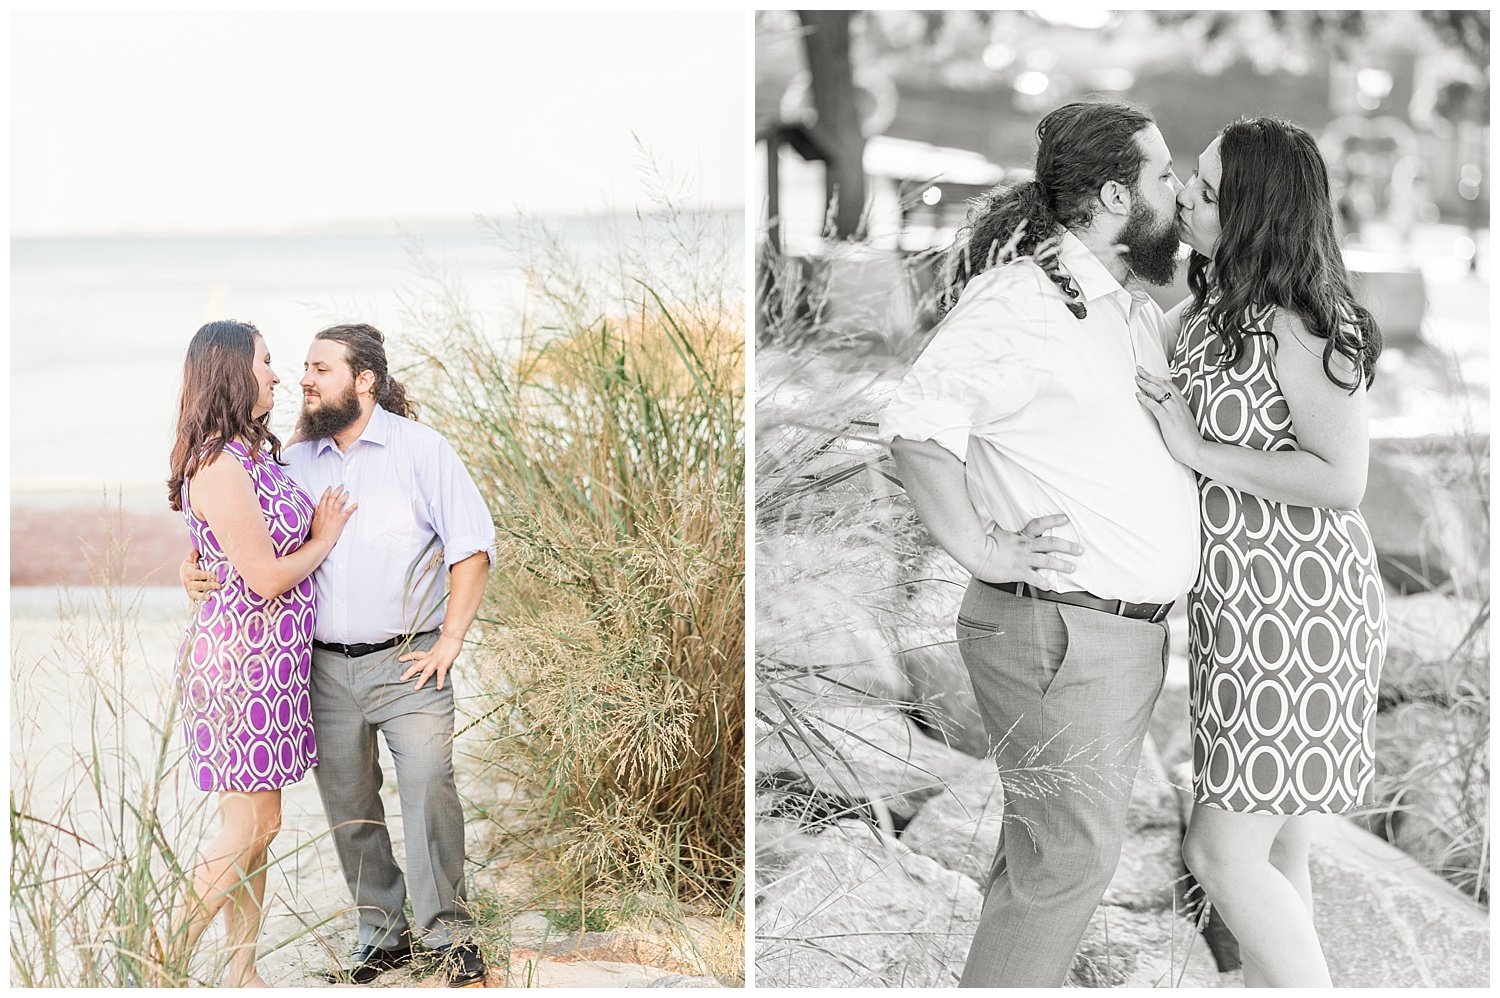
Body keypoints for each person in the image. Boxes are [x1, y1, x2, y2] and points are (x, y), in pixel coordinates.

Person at [879, 98, 1199, 987]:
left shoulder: (1112, 302)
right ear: (1111, 195)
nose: (1177, 190)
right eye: (1163, 174)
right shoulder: (1022, 303)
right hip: (1060, 632)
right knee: (1068, 865)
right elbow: (914, 429)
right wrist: (983, 549)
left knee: (1044, 861)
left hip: (1109, 637)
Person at [1134, 116, 1385, 987]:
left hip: (1302, 611)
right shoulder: (1206, 317)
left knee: (1218, 850)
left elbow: (1341, 479)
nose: (1186, 199)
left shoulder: (1303, 323)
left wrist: (1198, 452)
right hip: (1235, 611)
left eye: (1207, 190)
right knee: (1279, 845)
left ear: (1254, 210)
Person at [183, 322, 496, 987]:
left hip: (409, 661)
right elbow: (236, 536)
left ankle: (448, 935)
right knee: (350, 809)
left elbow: (472, 547)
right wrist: (193, 570)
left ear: (364, 381)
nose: (301, 379)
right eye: (295, 366)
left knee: (429, 787)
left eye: (319, 369)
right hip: (315, 667)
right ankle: (380, 936)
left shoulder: (422, 450)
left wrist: (450, 640)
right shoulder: (292, 459)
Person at [167, 320, 356, 987]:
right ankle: (161, 964)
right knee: (254, 825)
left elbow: (220, 548)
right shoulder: (218, 462)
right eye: (267, 362)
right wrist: (326, 537)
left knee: (254, 833)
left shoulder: (251, 454)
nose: (277, 374)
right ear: (231, 373)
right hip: (240, 669)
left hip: (271, 670)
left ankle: (241, 974)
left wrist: (192, 564)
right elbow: (266, 577)